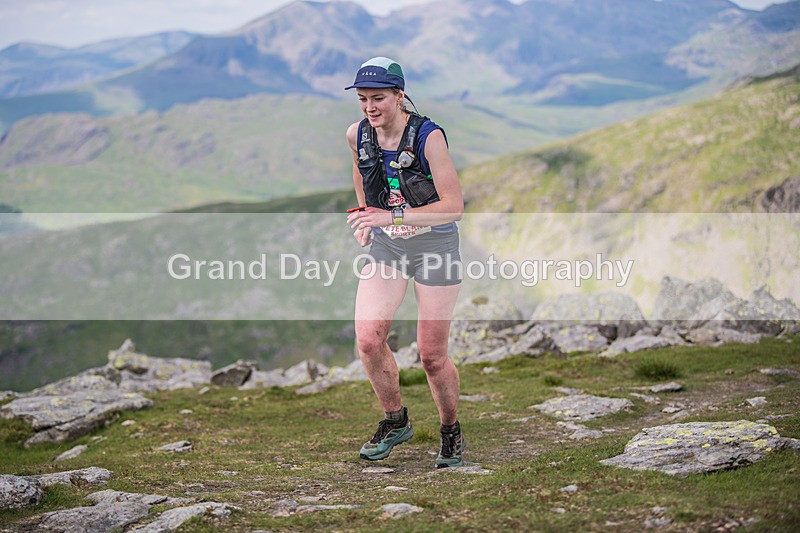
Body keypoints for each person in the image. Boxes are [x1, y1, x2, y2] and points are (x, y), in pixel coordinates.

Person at [344, 57, 466, 468]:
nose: (369, 108)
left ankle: (450, 431)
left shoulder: (428, 137)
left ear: (400, 95)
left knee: (431, 356)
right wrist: (365, 218)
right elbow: (364, 185)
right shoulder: (357, 134)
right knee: (367, 338)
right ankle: (395, 421)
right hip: (388, 248)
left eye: (378, 98)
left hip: (435, 245)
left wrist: (392, 216)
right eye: (362, 99)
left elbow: (454, 207)